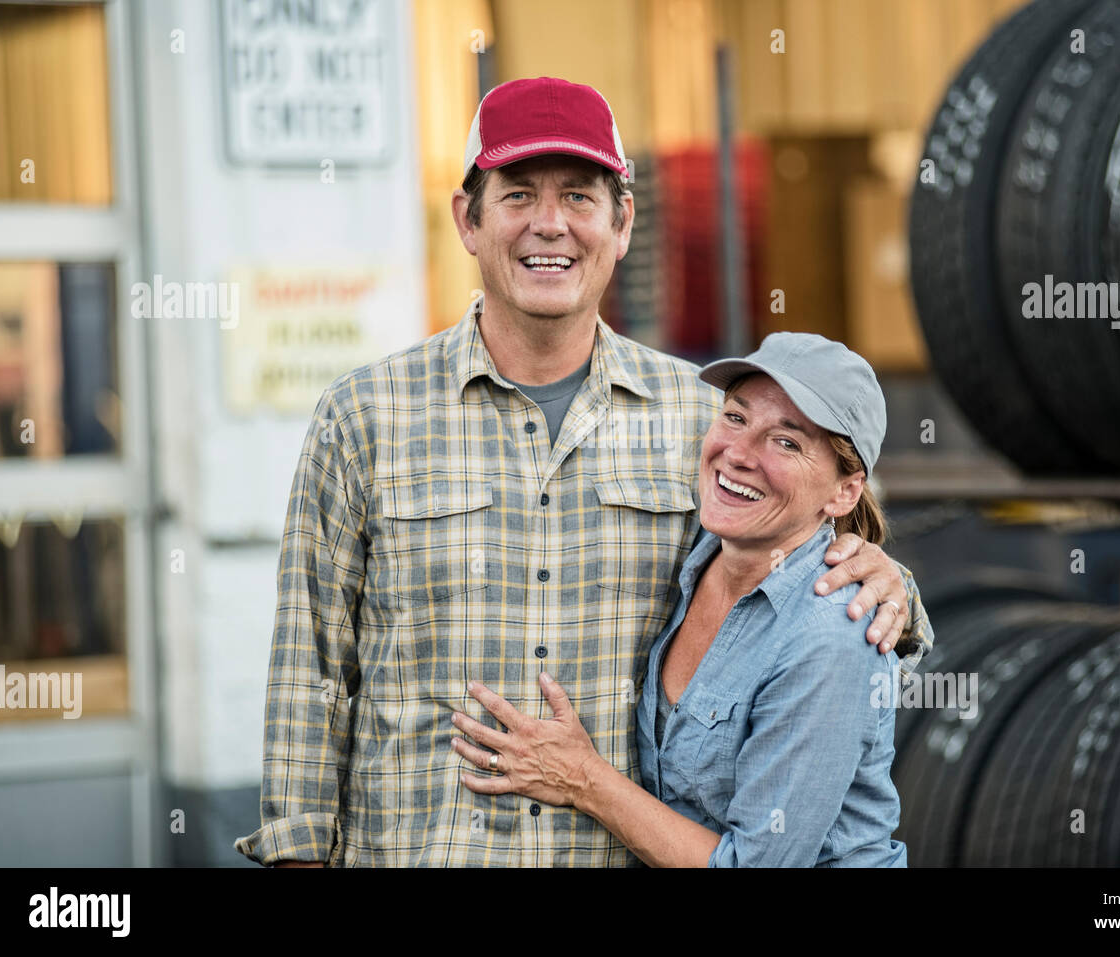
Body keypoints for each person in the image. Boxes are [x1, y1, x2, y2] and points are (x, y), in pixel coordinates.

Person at [234, 76, 932, 868]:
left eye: (579, 196)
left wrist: (890, 585)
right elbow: (310, 678)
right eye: (518, 194)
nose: (550, 224)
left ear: (622, 221)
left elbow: (791, 555)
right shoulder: (362, 418)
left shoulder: (695, 419)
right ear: (469, 219)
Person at [452, 333, 907, 866]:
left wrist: (582, 777)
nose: (738, 454)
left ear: (844, 491)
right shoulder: (690, 553)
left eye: (787, 442)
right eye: (736, 418)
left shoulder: (831, 635)